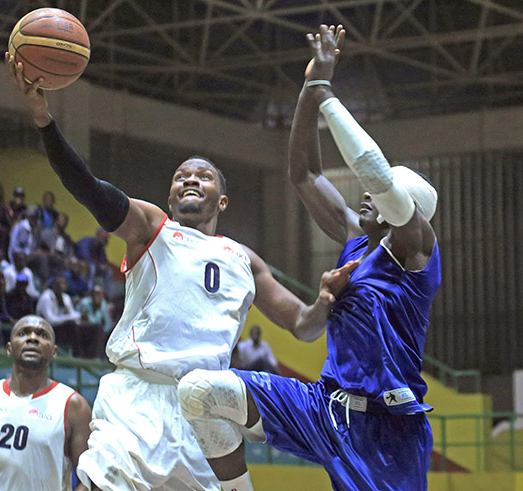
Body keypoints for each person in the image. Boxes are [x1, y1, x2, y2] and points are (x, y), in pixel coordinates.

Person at [6, 51, 356, 491]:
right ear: (171, 198)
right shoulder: (152, 228)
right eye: (181, 176)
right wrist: (44, 120)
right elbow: (88, 189)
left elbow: (303, 327)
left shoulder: (244, 260)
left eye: (203, 176)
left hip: (202, 408)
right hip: (135, 395)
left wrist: (325, 298)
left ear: (222, 201)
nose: (190, 179)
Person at [177, 25, 441, 491]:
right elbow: (304, 173)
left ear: (407, 209)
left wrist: (327, 95)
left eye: (378, 197)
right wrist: (308, 87)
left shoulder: (418, 250)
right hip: (324, 406)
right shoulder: (359, 237)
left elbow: (377, 174)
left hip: (388, 429)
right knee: (199, 391)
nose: (364, 195)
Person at [0, 315, 93, 491]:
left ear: (54, 351)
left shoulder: (73, 405)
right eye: (23, 333)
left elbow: (88, 480)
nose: (33, 338)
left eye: (42, 335)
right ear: (9, 348)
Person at [36, 276, 101, 360]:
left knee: (96, 327)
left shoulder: (66, 298)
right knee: (72, 326)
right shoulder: (47, 297)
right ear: (53, 286)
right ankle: (78, 357)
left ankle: (95, 357)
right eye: (58, 284)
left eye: (63, 284)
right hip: (49, 330)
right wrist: (75, 317)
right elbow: (50, 320)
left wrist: (81, 316)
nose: (60, 286)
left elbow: (72, 314)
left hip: (64, 328)